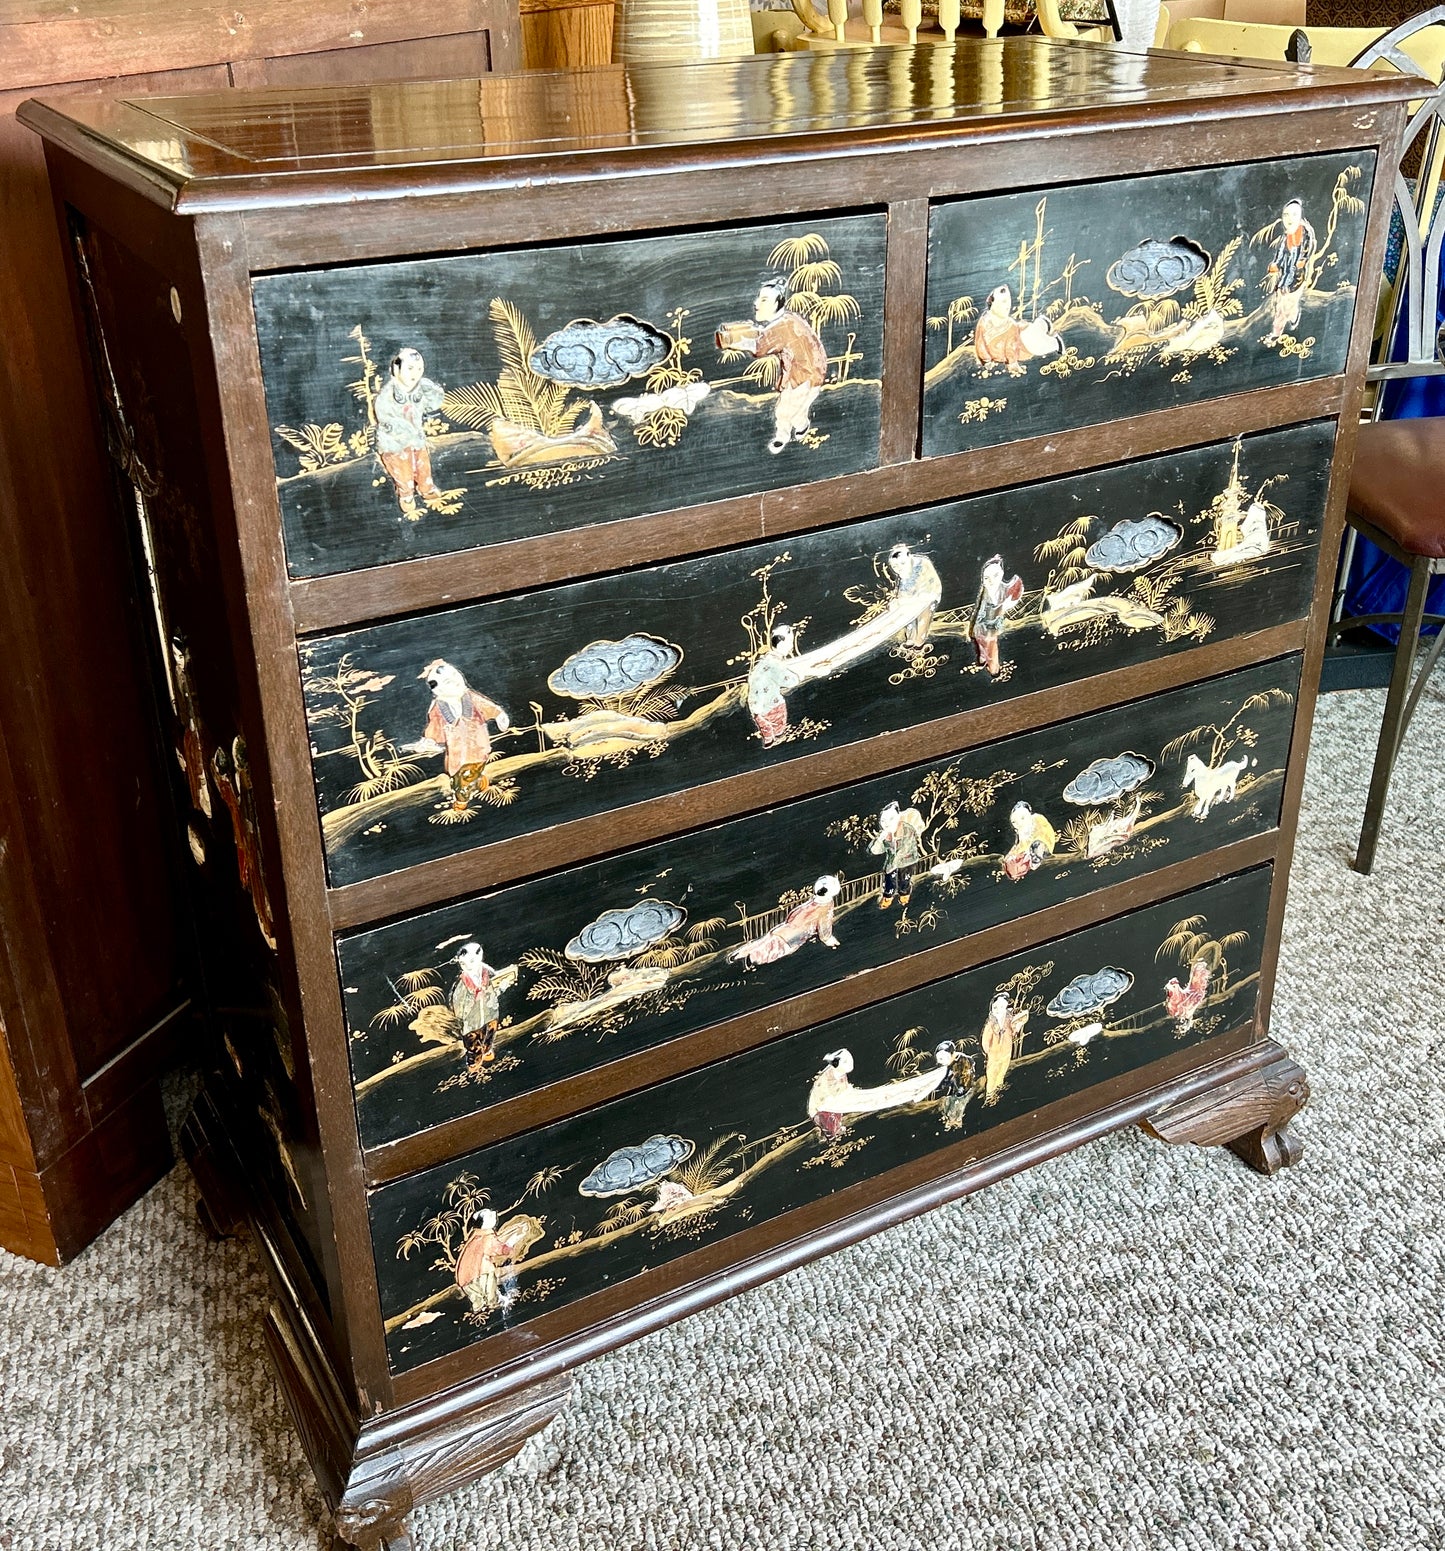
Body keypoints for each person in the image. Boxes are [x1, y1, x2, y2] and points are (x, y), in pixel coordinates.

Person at [723, 278, 829, 455]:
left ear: (778, 303)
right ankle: (802, 427)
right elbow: (766, 336)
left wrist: (734, 342)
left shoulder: (783, 326)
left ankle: (782, 437)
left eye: (764, 300)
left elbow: (759, 347)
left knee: (783, 410)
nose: (756, 303)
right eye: (759, 298)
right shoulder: (790, 318)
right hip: (815, 372)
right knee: (800, 406)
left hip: (802, 376)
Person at [375, 346, 446, 518]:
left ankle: (426, 487)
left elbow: (434, 403)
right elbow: (385, 418)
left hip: (416, 438)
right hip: (395, 442)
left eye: (419, 369)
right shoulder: (387, 394)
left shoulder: (419, 389)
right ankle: (406, 495)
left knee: (422, 464)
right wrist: (405, 430)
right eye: (410, 368)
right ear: (395, 368)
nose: (415, 373)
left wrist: (431, 389)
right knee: (403, 469)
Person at [1264, 199, 1316, 342]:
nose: (1289, 219)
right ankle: (1288, 321)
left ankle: (1277, 331)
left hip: (1297, 277)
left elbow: (1306, 250)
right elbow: (1280, 253)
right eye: (1286, 215)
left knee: (1286, 304)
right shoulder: (1285, 237)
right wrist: (1275, 264)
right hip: (1285, 275)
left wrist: (1302, 260)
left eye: (1294, 214)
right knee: (1281, 303)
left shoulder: (1305, 234)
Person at [747, 623, 802, 748]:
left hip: (755, 705)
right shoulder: (774, 663)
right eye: (790, 643)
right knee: (779, 727)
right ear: (782, 644)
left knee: (769, 726)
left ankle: (769, 734)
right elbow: (789, 680)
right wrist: (799, 676)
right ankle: (775, 734)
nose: (791, 646)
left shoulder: (765, 661)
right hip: (769, 704)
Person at [972, 555, 1024, 677]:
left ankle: (994, 669)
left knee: (991, 644)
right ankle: (982, 659)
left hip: (992, 624)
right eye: (986, 578)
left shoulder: (1002, 589)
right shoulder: (986, 590)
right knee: (980, 639)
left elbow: (1014, 594)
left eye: (995, 576)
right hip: (981, 621)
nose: (990, 581)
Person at [870, 801, 926, 910]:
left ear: (898, 818)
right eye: (883, 820)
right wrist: (880, 839)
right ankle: (888, 897)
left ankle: (904, 894)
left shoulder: (907, 829)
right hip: (892, 863)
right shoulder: (886, 833)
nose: (886, 823)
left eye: (891, 819)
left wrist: (893, 864)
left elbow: (907, 847)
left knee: (904, 879)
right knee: (890, 880)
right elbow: (876, 851)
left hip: (907, 860)